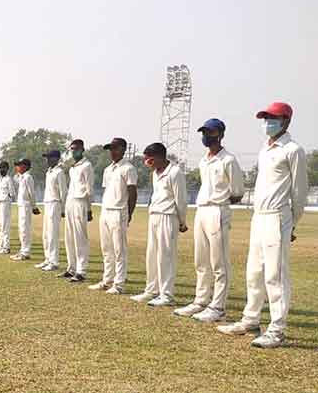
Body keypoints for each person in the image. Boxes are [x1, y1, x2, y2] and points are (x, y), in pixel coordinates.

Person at [217, 102, 308, 348]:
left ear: (286, 121)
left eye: (273, 118)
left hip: (278, 216)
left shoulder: (293, 150)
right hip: (259, 215)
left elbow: (299, 193)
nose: (267, 122)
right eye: (265, 118)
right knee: (254, 271)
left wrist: (291, 223)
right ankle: (250, 319)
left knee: (274, 275)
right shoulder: (265, 149)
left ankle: (277, 330)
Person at [173, 119, 244, 322]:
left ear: (220, 134)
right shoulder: (204, 160)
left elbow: (238, 192)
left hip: (217, 211)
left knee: (218, 262)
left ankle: (218, 307)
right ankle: (200, 301)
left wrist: (220, 201)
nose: (206, 136)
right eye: (204, 132)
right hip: (201, 210)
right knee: (201, 260)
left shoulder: (228, 160)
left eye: (210, 132)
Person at [129, 143, 188, 307]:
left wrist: (182, 221)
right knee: (152, 255)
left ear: (160, 157)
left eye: (150, 159)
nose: (148, 162)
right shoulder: (155, 173)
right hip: (154, 215)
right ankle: (151, 290)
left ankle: (166, 294)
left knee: (165, 256)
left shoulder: (175, 172)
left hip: (168, 216)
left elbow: (181, 200)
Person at [89, 138, 137, 295]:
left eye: (115, 148)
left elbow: (132, 193)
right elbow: (106, 191)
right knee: (106, 248)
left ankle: (119, 283)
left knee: (119, 250)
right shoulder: (108, 169)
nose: (112, 151)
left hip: (119, 211)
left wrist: (129, 213)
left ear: (123, 149)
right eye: (111, 149)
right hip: (106, 210)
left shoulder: (128, 168)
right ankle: (107, 280)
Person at [63, 140, 94, 283]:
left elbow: (89, 189)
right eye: (72, 149)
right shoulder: (72, 168)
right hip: (70, 201)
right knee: (69, 236)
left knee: (80, 237)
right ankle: (71, 267)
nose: (74, 152)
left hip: (81, 201)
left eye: (76, 149)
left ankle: (81, 270)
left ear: (82, 150)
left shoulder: (87, 166)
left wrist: (89, 208)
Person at [37, 150, 68, 272]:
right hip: (47, 202)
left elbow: (63, 192)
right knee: (46, 233)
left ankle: (54, 261)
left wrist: (63, 209)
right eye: (46, 158)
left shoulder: (59, 172)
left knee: (52, 234)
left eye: (49, 157)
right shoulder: (49, 172)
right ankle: (48, 259)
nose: (47, 160)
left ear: (56, 159)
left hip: (55, 203)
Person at [9, 159, 39, 261]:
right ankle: (22, 250)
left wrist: (34, 207)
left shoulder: (28, 177)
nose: (16, 167)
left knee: (25, 229)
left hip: (26, 205)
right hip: (21, 205)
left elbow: (32, 193)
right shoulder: (22, 177)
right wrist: (18, 174)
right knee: (21, 229)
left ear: (25, 166)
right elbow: (15, 178)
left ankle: (25, 252)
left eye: (19, 165)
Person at [0, 161, 16, 254]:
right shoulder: (0, 179)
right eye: (0, 168)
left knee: (4, 225)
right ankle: (1, 244)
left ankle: (6, 247)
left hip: (5, 203)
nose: (1, 170)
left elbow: (12, 193)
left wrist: (7, 199)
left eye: (2, 168)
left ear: (6, 168)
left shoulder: (8, 179)